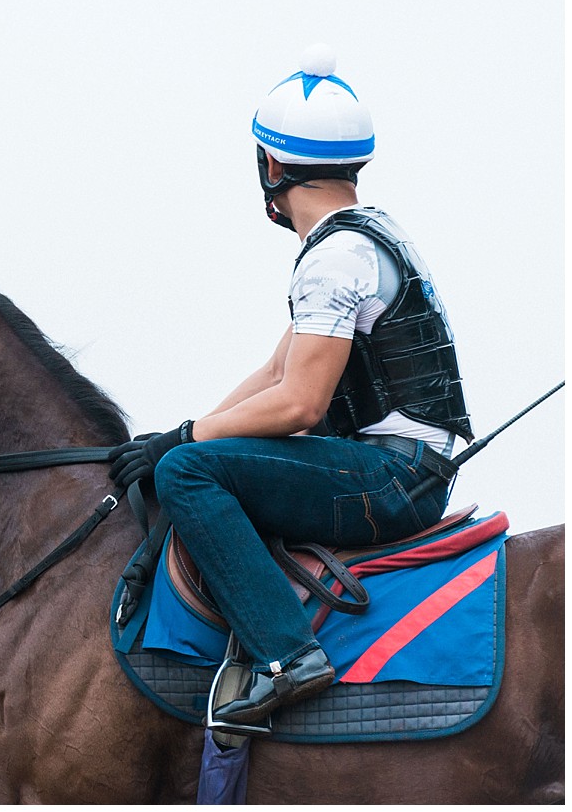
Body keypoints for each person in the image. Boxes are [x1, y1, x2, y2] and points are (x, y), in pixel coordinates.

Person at [105, 44, 472, 725]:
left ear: (269, 166)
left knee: (189, 475)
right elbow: (276, 373)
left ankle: (288, 654)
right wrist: (177, 430)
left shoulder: (334, 258)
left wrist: (178, 447)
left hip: (389, 478)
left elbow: (300, 404)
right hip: (404, 468)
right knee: (187, 456)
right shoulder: (365, 236)